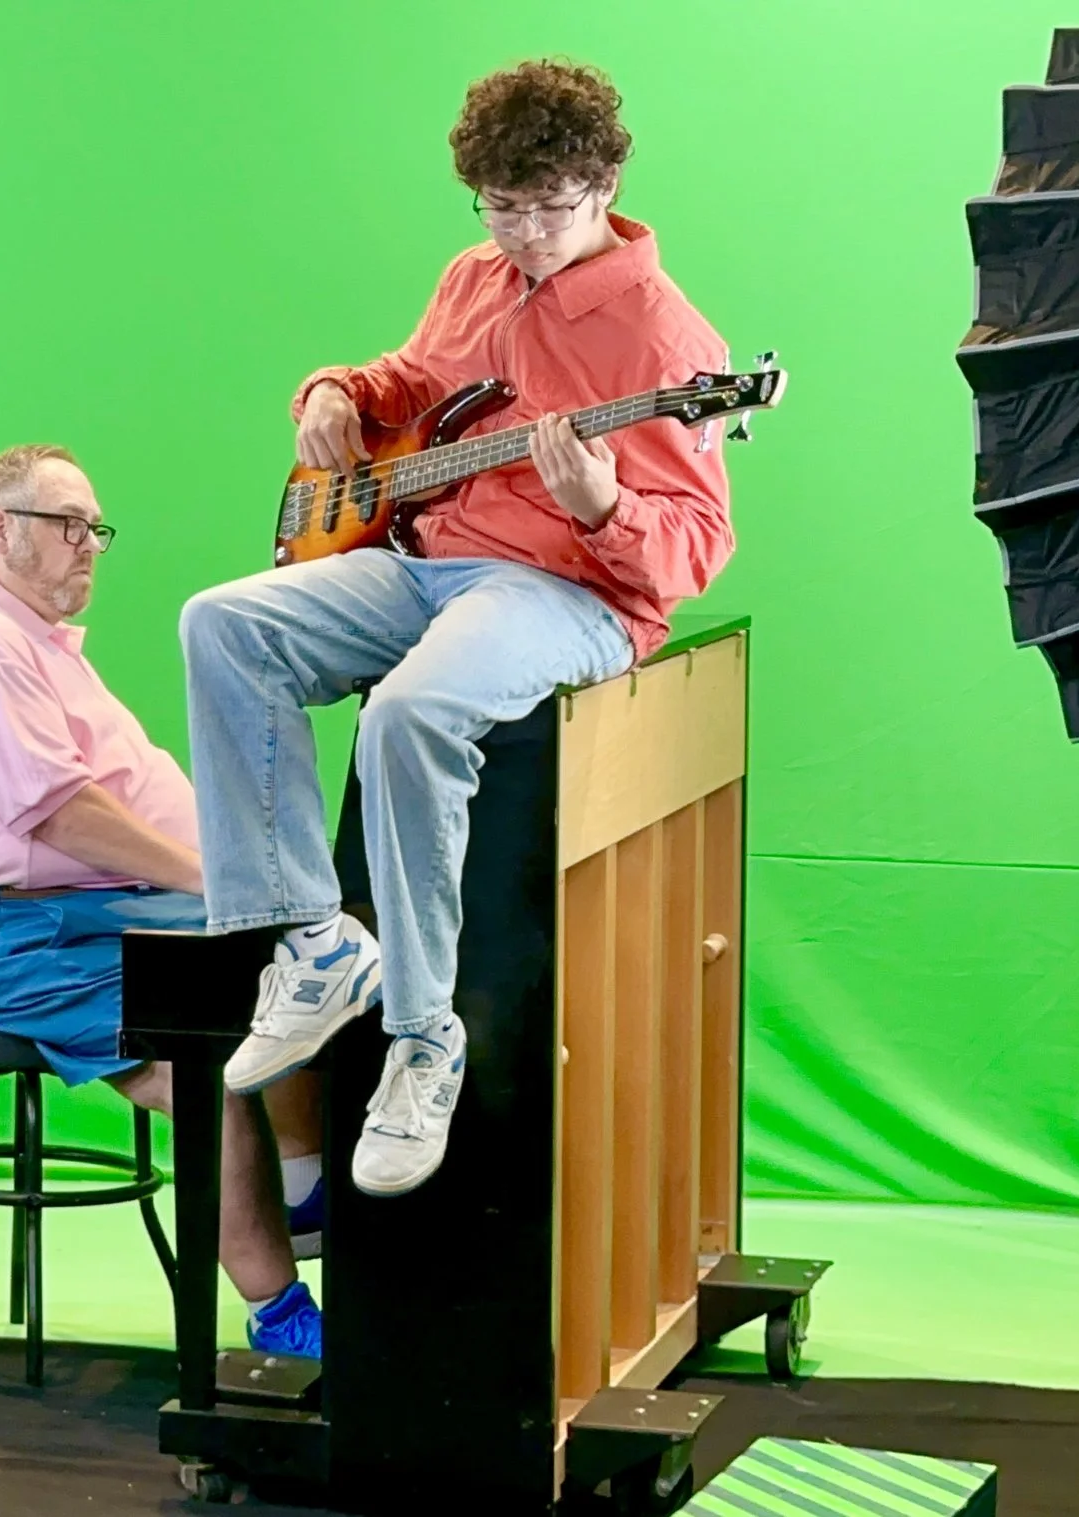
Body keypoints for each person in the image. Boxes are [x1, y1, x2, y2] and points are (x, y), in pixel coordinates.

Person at [180, 60, 733, 1198]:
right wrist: (332, 392)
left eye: (551, 205)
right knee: (222, 623)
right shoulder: (472, 275)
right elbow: (409, 384)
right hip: (424, 560)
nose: (525, 234)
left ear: (607, 180)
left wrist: (603, 504)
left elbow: (692, 547)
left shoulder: (666, 339)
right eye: (501, 207)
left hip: (569, 593)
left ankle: (423, 1038)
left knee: (411, 710)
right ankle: (315, 937)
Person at [0, 444, 327, 1356]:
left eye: (96, 530)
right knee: (210, 1058)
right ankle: (284, 1318)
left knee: (316, 952)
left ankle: (311, 1188)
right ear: (0, 530)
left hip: (72, 909)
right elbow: (66, 817)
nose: (89, 545)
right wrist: (222, 882)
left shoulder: (38, 647)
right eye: (68, 525)